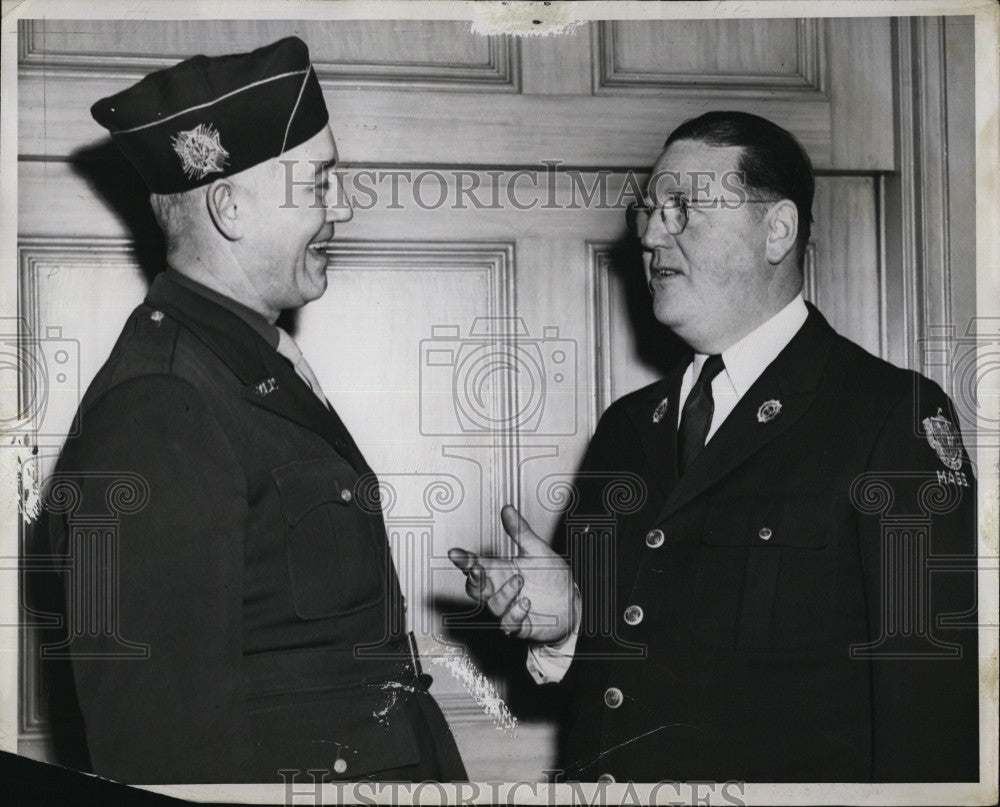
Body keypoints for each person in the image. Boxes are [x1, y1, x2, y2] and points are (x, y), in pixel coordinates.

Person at [450, 111, 979, 783]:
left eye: (682, 209)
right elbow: (625, 676)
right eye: (648, 212)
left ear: (776, 230)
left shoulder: (890, 416)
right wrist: (566, 628)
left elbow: (932, 719)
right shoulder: (627, 426)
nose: (648, 234)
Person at [44, 37, 466, 784]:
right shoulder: (159, 406)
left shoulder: (246, 365)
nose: (345, 205)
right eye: (320, 184)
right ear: (230, 206)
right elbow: (162, 744)